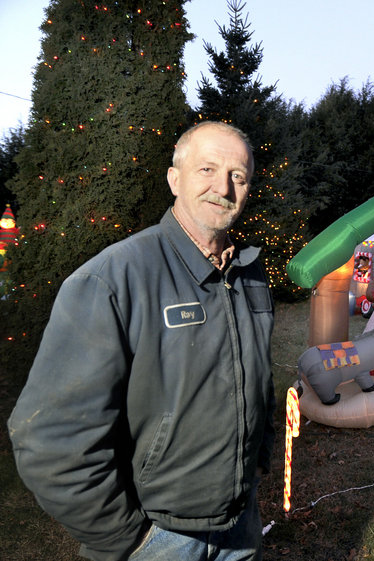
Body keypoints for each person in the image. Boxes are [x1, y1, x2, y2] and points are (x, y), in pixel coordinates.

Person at [7, 121, 276, 561]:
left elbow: (257, 379)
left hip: (240, 526)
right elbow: (48, 438)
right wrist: (128, 540)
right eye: (206, 169)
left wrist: (258, 460)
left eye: (238, 176)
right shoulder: (112, 280)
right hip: (160, 537)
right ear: (174, 178)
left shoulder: (247, 274)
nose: (223, 187)